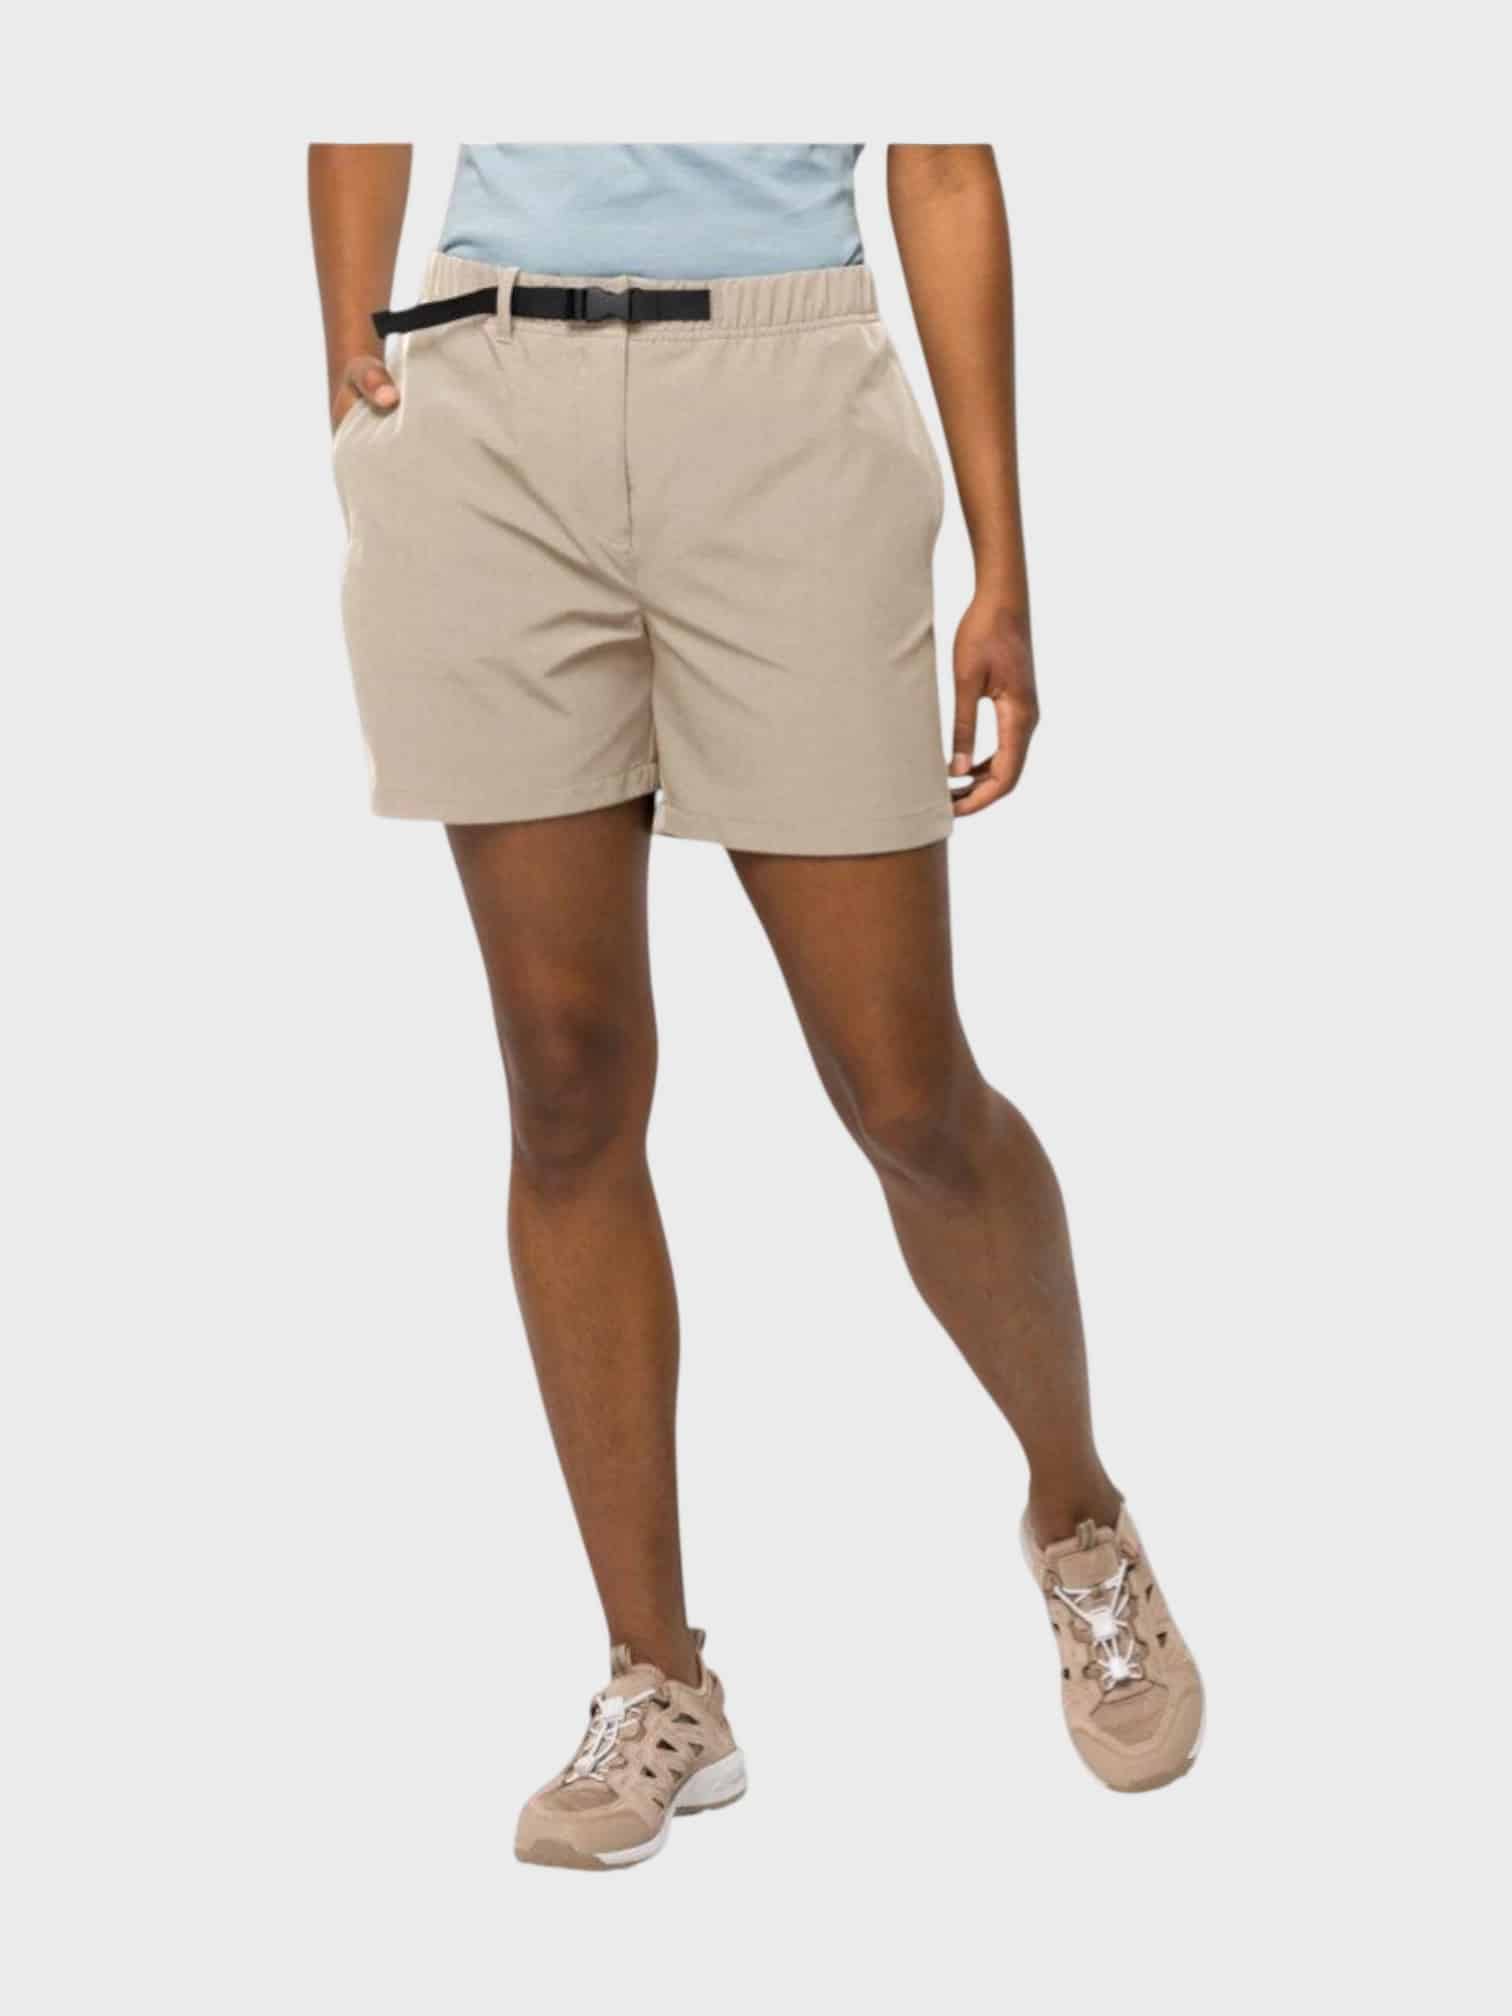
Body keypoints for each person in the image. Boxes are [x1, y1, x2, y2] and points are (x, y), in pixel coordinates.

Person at [309, 142, 1203, 1870]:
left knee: (903, 1088)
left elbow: (943, 164)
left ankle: (1080, 1518)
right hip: (486, 399)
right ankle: (661, 1680)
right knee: (566, 1087)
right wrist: (350, 370)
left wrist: (1003, 566)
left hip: (786, 401)